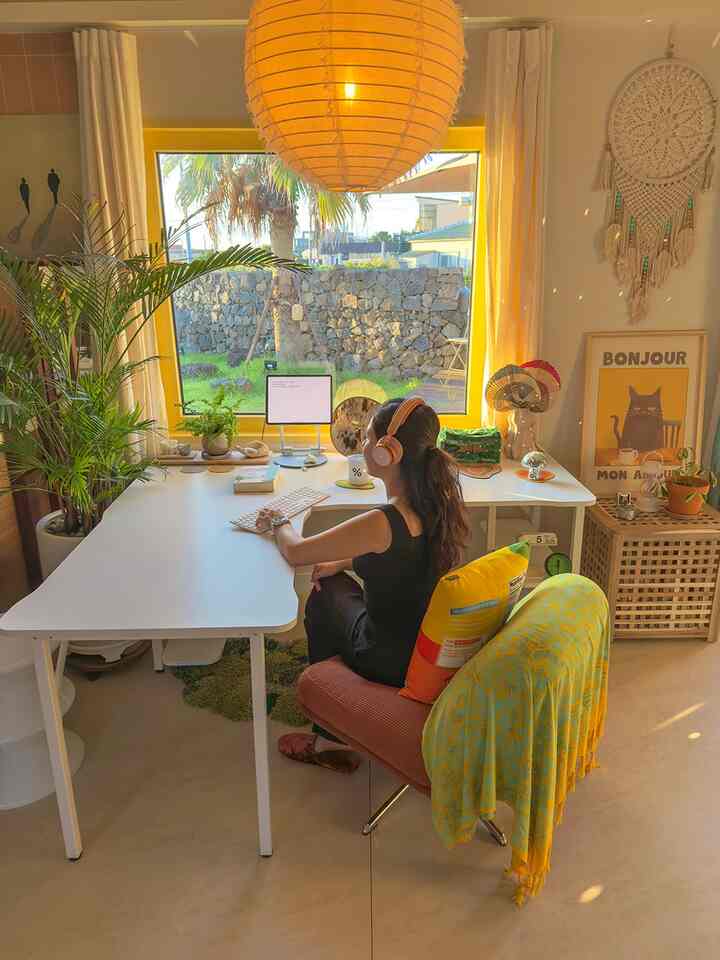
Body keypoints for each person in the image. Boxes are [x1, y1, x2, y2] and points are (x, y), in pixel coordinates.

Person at [256, 397, 470, 773]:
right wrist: (344, 560)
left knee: (322, 596)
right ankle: (334, 709)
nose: (364, 444)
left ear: (390, 453)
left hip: (386, 659)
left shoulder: (382, 520)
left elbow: (296, 552)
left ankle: (328, 735)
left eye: (368, 437)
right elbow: (403, 560)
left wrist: (278, 520)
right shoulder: (437, 501)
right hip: (422, 649)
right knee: (332, 576)